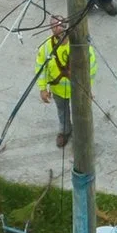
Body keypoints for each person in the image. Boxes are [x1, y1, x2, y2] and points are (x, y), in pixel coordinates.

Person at [37, 17, 97, 150]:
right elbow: (41, 68)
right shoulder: (46, 47)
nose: (58, 28)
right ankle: (65, 131)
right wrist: (43, 88)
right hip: (58, 89)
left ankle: (83, 133)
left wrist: (87, 87)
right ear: (51, 29)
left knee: (81, 112)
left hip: (79, 89)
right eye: (54, 26)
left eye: (61, 25)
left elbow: (91, 67)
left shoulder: (80, 45)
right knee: (62, 111)